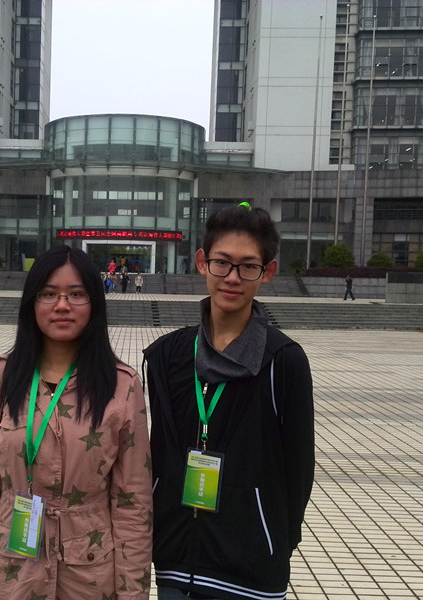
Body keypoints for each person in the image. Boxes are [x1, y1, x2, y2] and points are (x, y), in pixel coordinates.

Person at [0, 245, 153, 600]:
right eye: (49, 293)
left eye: (76, 294)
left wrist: (132, 592)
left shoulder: (122, 385)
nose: (62, 305)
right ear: (32, 302)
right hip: (10, 573)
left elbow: (133, 501)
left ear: (95, 303)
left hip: (89, 573)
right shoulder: (2, 377)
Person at [144, 205, 314, 600]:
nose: (233, 278)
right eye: (222, 263)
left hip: (250, 570)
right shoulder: (167, 356)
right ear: (202, 263)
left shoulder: (283, 361)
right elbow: (158, 454)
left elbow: (299, 467)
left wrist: (275, 541)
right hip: (174, 560)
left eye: (248, 266)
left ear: (268, 272)